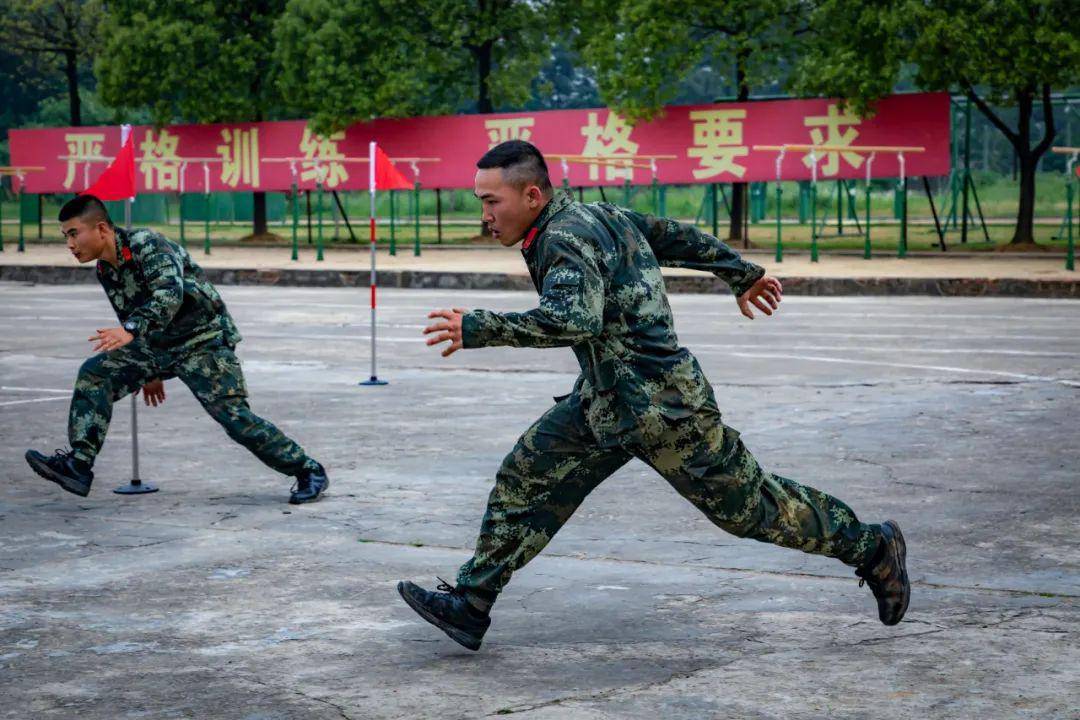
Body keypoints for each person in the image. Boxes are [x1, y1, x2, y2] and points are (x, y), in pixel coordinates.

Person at [398, 140, 908, 651]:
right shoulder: (597, 216)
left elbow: (574, 320)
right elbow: (674, 235)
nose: (485, 215)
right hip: (604, 402)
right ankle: (471, 603)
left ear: (532, 195)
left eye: (492, 202)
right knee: (527, 476)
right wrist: (739, 272)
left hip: (664, 409)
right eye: (481, 202)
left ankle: (872, 546)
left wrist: (479, 328)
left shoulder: (563, 237)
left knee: (750, 509)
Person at [24, 194, 329, 505]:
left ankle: (308, 469)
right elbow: (130, 315)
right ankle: (79, 463)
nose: (70, 244)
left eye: (74, 234)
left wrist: (131, 330)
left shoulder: (148, 245)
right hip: (158, 345)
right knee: (95, 374)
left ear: (101, 228)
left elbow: (170, 294)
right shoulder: (106, 269)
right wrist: (147, 371)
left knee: (234, 418)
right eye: (65, 236)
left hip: (203, 340)